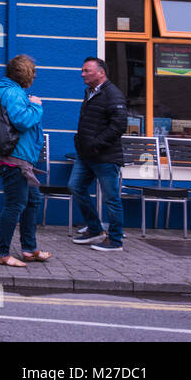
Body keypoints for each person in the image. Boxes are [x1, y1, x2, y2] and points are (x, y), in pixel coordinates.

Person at [0, 54, 50, 267]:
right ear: (26, 74)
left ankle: (29, 249)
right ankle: (0, 252)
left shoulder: (5, 91)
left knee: (32, 201)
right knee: (15, 204)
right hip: (14, 159)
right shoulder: (14, 93)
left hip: (18, 158)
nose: (34, 76)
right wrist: (36, 106)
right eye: (33, 72)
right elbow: (22, 121)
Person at [70, 57, 127, 251]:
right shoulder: (91, 92)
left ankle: (115, 241)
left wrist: (97, 144)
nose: (82, 74)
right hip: (86, 154)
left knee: (111, 198)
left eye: (87, 71)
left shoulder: (113, 94)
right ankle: (95, 230)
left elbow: (119, 125)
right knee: (75, 187)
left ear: (101, 72)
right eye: (83, 70)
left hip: (105, 156)